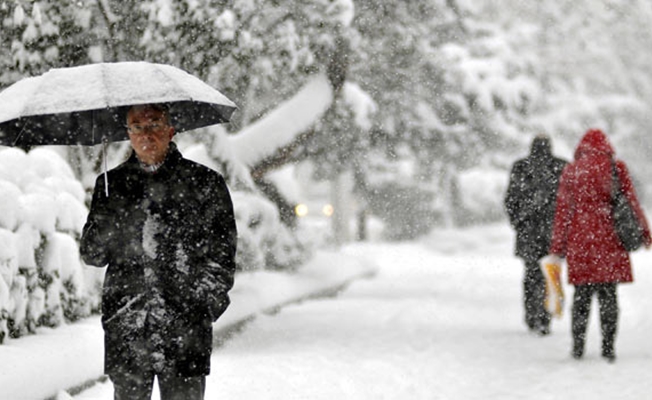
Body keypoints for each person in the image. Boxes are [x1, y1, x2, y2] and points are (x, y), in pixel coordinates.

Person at [80, 103, 237, 399]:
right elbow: (93, 254)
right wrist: (109, 217)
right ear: (127, 133)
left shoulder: (204, 184)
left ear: (171, 129)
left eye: (154, 124)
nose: (145, 134)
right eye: (137, 127)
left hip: (186, 330)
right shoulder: (111, 186)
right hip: (127, 326)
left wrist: (201, 306)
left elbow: (221, 256)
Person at [548, 128, 651, 362]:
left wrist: (557, 247)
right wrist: (644, 231)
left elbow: (563, 212)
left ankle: (578, 347)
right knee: (608, 295)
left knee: (581, 296)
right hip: (609, 239)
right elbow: (632, 202)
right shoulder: (616, 168)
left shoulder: (572, 171)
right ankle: (608, 348)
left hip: (580, 240)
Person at [505, 134, 567, 335]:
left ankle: (532, 314)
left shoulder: (521, 167)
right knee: (550, 273)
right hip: (554, 232)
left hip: (528, 231)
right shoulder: (561, 167)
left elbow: (511, 199)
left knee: (531, 274)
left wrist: (519, 222)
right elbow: (570, 201)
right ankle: (545, 316)